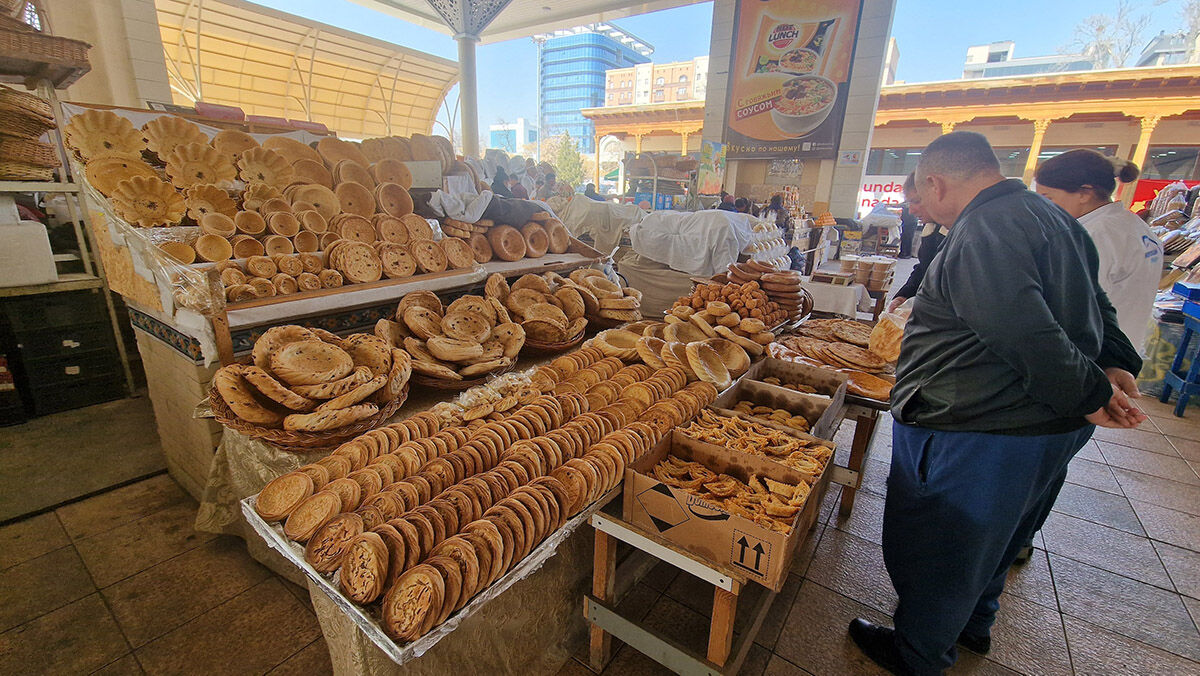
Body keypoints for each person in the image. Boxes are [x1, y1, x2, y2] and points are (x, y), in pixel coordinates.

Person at [848, 132, 1146, 676]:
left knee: (943, 545)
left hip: (980, 426)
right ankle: (973, 627)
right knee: (999, 537)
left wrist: (1091, 392)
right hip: (1042, 428)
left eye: (921, 194)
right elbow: (1097, 305)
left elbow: (1023, 329)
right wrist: (1117, 361)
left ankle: (918, 654)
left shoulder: (984, 229)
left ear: (935, 182)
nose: (922, 205)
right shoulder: (1051, 217)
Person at [1035, 149, 1162, 352]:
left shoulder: (1095, 235)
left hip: (1095, 357)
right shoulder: (1132, 224)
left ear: (1084, 193)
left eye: (1048, 198)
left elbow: (1073, 311)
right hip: (1122, 350)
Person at [888, 173, 948, 313]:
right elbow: (925, 268)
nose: (911, 210)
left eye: (916, 201)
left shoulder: (970, 233)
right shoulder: (933, 228)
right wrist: (905, 294)